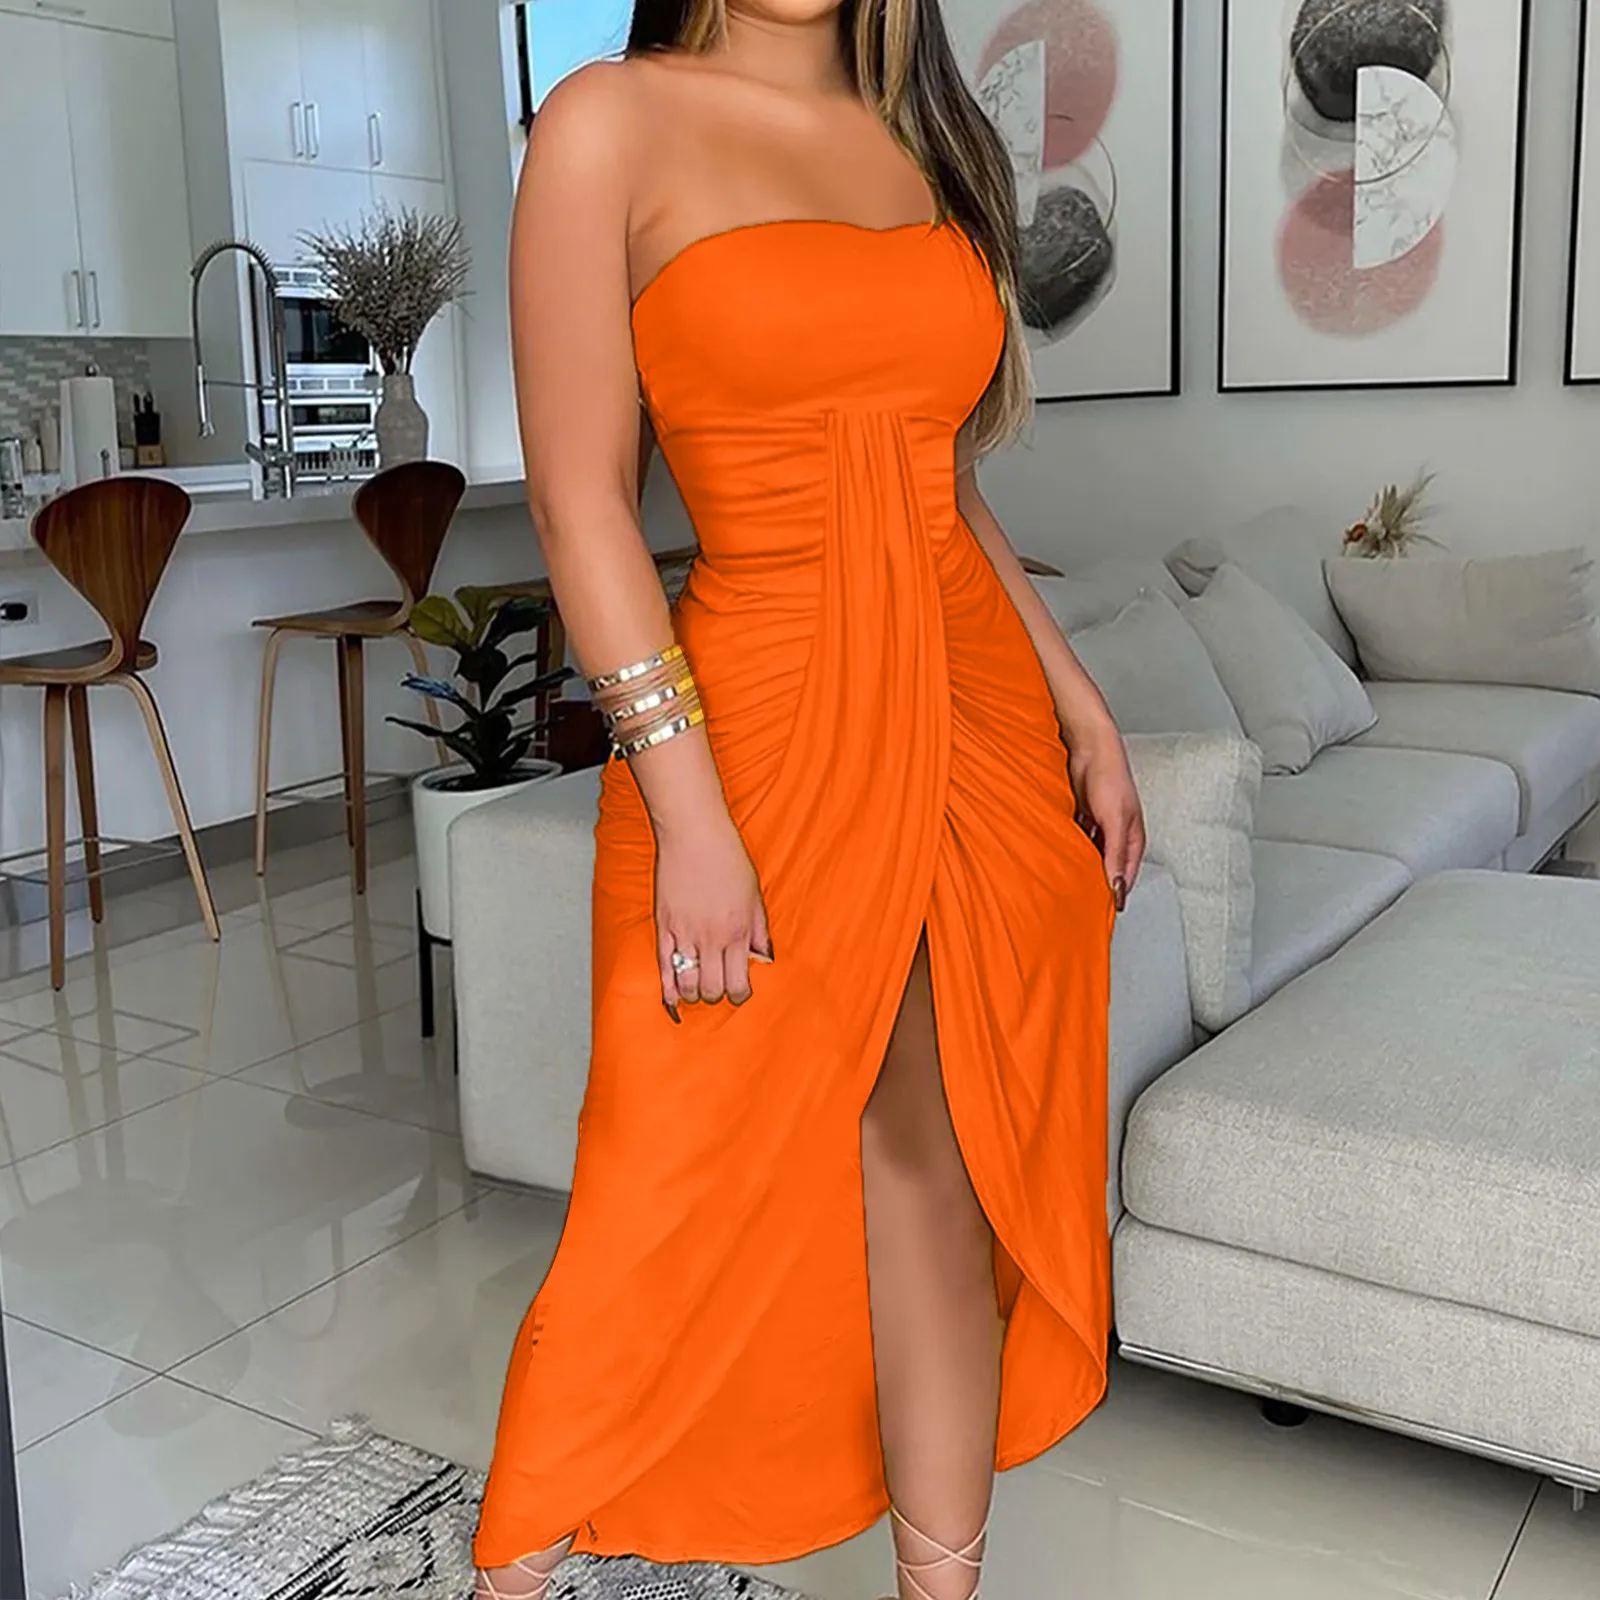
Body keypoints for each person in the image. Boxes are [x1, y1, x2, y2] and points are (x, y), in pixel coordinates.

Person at [474, 3, 1145, 1597]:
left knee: (938, 1169)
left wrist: (1083, 707)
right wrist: (690, 815)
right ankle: (507, 1573)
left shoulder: (924, 136)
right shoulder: (606, 122)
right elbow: (581, 504)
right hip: (750, 735)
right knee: (659, 1193)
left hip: (970, 720)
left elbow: (946, 484)